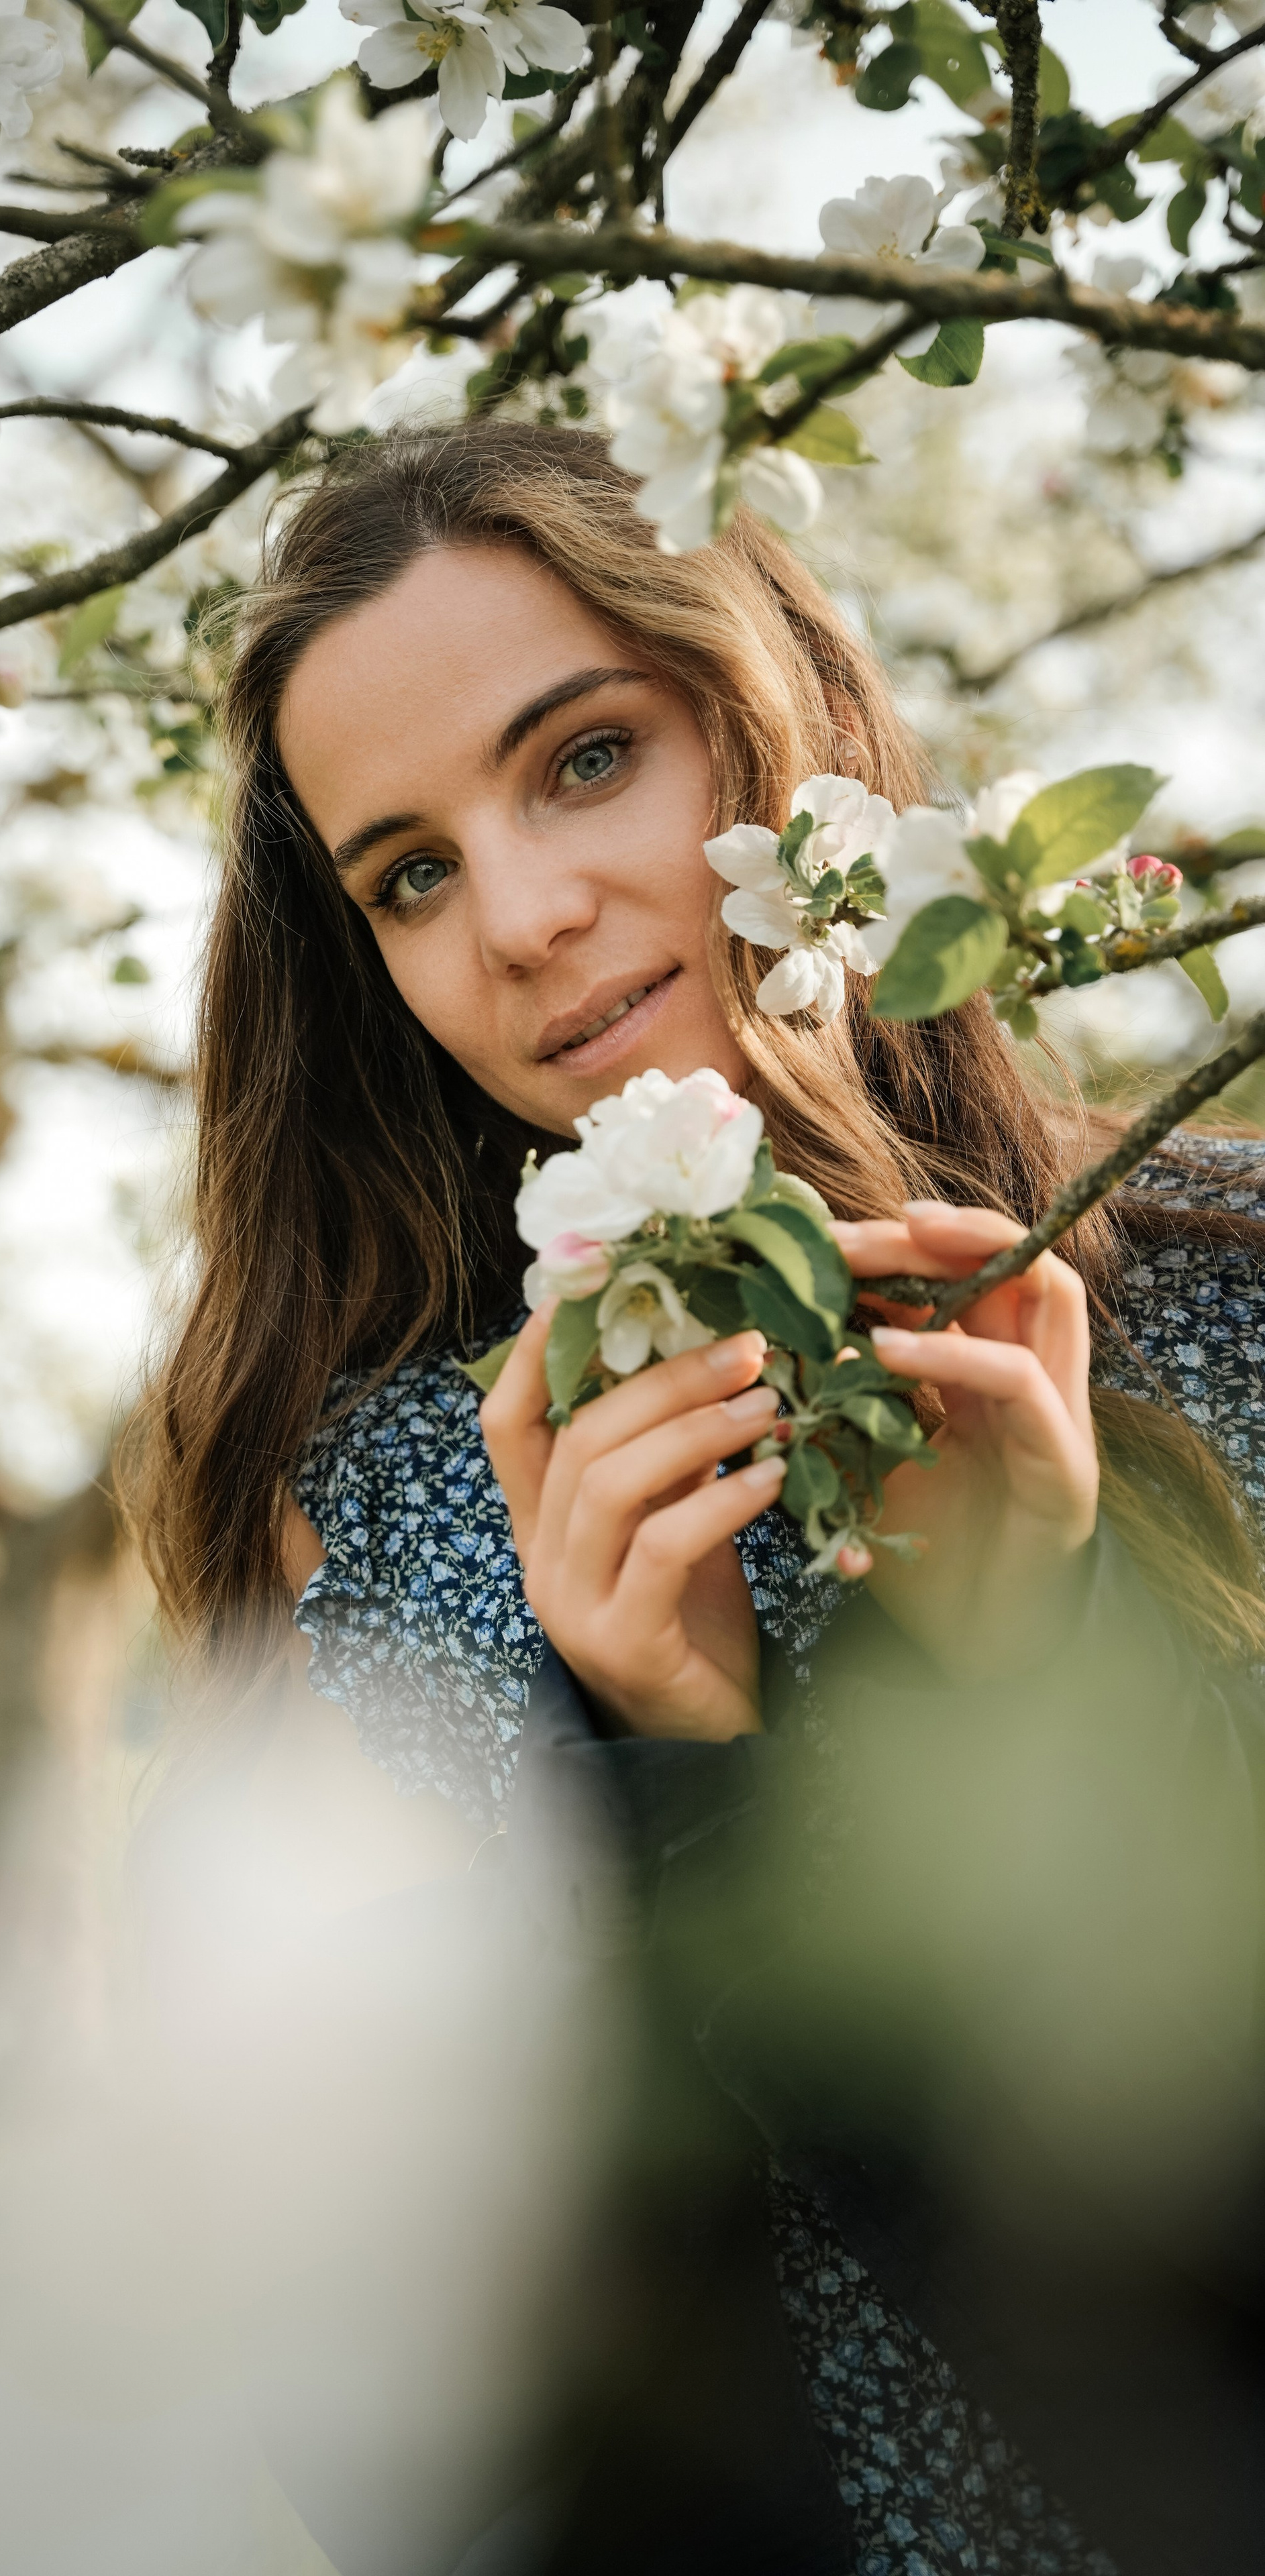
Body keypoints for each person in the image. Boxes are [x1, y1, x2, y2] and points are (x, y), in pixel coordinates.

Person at [137, 421, 1265, 2576]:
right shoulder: (397, 1506)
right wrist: (667, 1781)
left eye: (581, 761)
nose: (525, 921)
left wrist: (1034, 1662)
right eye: (411, 874)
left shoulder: (1225, 1302)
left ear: (790, 727)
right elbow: (419, 2443)